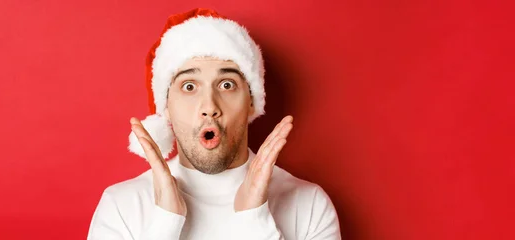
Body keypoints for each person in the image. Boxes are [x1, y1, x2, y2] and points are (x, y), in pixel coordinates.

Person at [87, 8, 341, 240]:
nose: (209, 106)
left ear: (252, 102)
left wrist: (254, 219)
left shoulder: (308, 205)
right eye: (189, 87)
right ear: (166, 107)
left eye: (227, 85)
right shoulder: (121, 206)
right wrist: (165, 223)